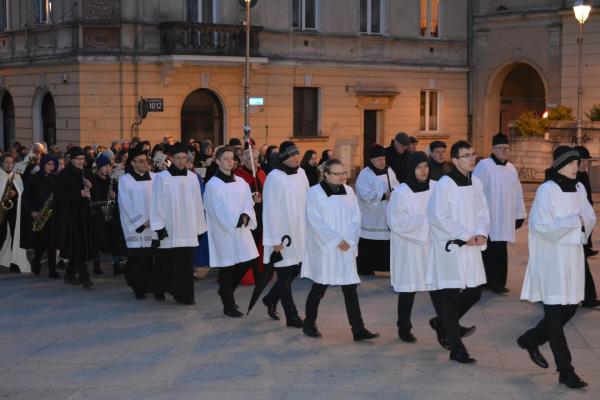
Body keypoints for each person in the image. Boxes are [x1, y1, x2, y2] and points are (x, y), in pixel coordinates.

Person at [518, 146, 596, 389]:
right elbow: (541, 225)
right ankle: (566, 370)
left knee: (570, 308)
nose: (577, 166)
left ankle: (530, 339)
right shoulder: (546, 190)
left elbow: (590, 216)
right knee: (554, 317)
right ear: (561, 164)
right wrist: (575, 222)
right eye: (573, 162)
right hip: (551, 260)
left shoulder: (580, 188)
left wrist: (578, 224)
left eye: (577, 162)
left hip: (572, 257)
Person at [301, 158, 379, 341]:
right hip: (326, 249)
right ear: (326, 174)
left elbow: (356, 217)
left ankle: (358, 329)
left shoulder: (349, 191)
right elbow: (315, 221)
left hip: (346, 247)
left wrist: (349, 239)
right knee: (319, 287)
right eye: (337, 174)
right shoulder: (314, 193)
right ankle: (309, 323)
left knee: (350, 289)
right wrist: (336, 240)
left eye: (344, 173)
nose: (343, 177)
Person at [426, 140, 490, 363]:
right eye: (466, 156)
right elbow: (438, 216)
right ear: (454, 160)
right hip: (451, 248)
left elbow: (483, 211)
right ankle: (457, 349)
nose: (472, 159)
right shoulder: (445, 184)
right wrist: (465, 235)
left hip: (472, 246)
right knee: (451, 298)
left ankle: (442, 322)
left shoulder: (477, 183)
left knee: (475, 291)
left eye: (473, 154)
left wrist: (481, 232)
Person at [204, 146, 259, 317]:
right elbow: (216, 209)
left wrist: (246, 214)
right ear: (218, 161)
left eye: (232, 158)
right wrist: (236, 220)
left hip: (241, 228)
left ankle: (225, 290)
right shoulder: (213, 185)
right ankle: (229, 305)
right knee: (227, 267)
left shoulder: (241, 182)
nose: (230, 161)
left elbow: (246, 203)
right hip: (224, 230)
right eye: (226, 159)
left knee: (247, 260)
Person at [150, 143, 207, 305]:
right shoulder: (162, 178)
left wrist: (200, 227)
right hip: (170, 226)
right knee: (166, 261)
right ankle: (159, 289)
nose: (182, 161)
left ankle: (185, 295)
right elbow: (157, 203)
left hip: (188, 227)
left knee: (185, 263)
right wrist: (159, 227)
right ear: (171, 159)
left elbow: (198, 203)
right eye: (178, 158)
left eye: (184, 158)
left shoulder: (192, 178)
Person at [387, 152, 435, 342]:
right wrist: (427, 223)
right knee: (408, 288)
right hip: (409, 248)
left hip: (432, 246)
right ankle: (404, 327)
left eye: (426, 166)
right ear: (411, 169)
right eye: (419, 167)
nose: (423, 171)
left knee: (440, 288)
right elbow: (396, 222)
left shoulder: (435, 187)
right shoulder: (401, 193)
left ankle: (447, 325)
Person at [261, 141, 309, 327]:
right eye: (292, 155)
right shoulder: (274, 177)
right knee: (283, 275)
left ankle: (271, 298)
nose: (297, 158)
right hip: (283, 235)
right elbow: (270, 210)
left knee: (294, 270)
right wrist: (274, 240)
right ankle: (292, 316)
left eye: (298, 154)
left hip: (300, 231)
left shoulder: (302, 173)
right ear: (283, 157)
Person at [473, 133, 526, 294]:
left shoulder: (511, 168)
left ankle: (498, 282)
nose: (505, 151)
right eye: (501, 148)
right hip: (489, 216)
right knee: (487, 250)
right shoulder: (484, 165)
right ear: (493, 149)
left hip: (505, 217)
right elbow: (476, 190)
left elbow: (518, 192)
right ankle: (484, 280)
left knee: (501, 250)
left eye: (507, 148)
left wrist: (519, 214)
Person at [118, 147, 157, 300]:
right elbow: (125, 203)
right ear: (132, 163)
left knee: (149, 258)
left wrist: (154, 219)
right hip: (135, 226)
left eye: (146, 161)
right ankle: (137, 287)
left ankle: (147, 285)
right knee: (138, 258)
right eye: (140, 161)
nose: (145, 164)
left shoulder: (155, 178)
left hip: (153, 224)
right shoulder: (125, 180)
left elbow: (160, 199)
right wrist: (142, 222)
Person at [355, 144, 399, 275]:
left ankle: (385, 267)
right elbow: (364, 194)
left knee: (385, 241)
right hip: (371, 215)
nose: (382, 162)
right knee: (370, 242)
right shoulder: (365, 174)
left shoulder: (389, 170)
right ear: (372, 160)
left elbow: (396, 183)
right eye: (379, 159)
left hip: (385, 213)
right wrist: (384, 195)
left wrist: (395, 192)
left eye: (383, 159)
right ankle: (366, 268)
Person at [54, 146, 94, 288]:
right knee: (78, 246)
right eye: (78, 159)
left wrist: (89, 187)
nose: (81, 161)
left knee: (79, 246)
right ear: (71, 159)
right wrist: (79, 194)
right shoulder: (62, 176)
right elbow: (60, 198)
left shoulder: (83, 173)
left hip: (82, 215)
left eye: (83, 159)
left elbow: (86, 194)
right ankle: (84, 277)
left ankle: (70, 274)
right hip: (69, 217)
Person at [21, 155, 59, 278]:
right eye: (49, 164)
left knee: (52, 243)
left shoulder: (54, 178)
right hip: (39, 214)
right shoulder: (34, 179)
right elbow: (25, 197)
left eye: (53, 165)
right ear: (43, 165)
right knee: (42, 243)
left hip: (52, 215)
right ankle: (36, 260)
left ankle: (52, 270)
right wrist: (32, 211)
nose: (51, 167)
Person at [234, 148, 267, 285]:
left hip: (261, 213)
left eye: (254, 159)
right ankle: (247, 275)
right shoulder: (238, 175)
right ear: (243, 160)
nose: (252, 162)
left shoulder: (261, 173)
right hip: (247, 215)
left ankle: (259, 273)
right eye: (248, 159)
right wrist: (252, 197)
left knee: (259, 243)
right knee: (249, 245)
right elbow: (237, 197)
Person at [89, 155, 125, 276]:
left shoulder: (112, 180)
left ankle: (116, 265)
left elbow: (119, 197)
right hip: (98, 213)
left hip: (111, 212)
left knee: (115, 238)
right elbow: (92, 198)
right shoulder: (93, 181)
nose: (107, 168)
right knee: (96, 239)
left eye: (109, 166)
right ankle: (96, 264)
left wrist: (114, 196)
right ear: (99, 167)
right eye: (104, 166)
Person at [573, 146, 600, 308]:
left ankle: (588, 297)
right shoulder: (575, 178)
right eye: (583, 161)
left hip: (583, 226)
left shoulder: (582, 175)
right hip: (575, 228)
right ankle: (588, 298)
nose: (585, 164)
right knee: (581, 265)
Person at [0, 154, 30, 273]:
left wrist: (15, 193)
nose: (9, 164)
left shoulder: (16, 176)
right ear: (2, 163)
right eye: (7, 162)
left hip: (13, 211)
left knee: (15, 235)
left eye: (11, 162)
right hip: (1, 210)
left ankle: (14, 262)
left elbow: (21, 192)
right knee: (1, 235)